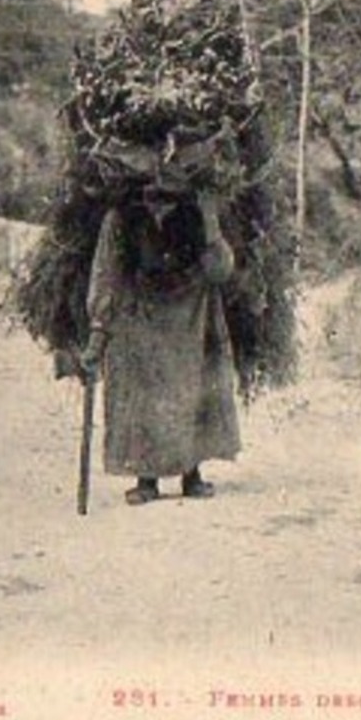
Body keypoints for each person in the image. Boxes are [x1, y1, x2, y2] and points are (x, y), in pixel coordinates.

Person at [81, 185, 241, 505]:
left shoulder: (198, 211)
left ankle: (191, 474)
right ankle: (146, 478)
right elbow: (107, 272)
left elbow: (220, 270)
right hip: (140, 313)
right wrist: (99, 330)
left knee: (192, 386)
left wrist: (210, 222)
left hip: (191, 312)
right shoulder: (121, 218)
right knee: (143, 392)